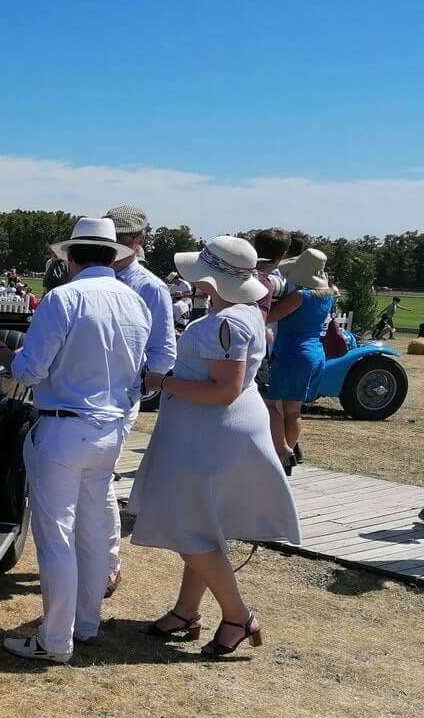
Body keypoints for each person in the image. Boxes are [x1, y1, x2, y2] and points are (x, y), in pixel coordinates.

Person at [0, 218, 150, 663]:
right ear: (112, 256)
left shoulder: (64, 298)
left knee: (56, 535)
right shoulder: (136, 302)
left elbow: (31, 371)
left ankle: (55, 639)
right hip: (110, 429)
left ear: (72, 257)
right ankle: (86, 623)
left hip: (63, 426)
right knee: (93, 531)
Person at [129, 236, 300, 657]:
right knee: (202, 524)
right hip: (218, 429)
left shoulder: (226, 322)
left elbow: (224, 390)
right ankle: (188, 610)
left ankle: (239, 615)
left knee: (188, 524)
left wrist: (160, 381)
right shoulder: (244, 315)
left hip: (212, 433)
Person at [100, 204, 177, 598]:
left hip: (117, 399)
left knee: (99, 482)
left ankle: (109, 564)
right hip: (84, 394)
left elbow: (164, 353)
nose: (111, 246)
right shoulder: (88, 276)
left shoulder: (149, 287)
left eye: (120, 239)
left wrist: (137, 389)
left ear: (137, 243)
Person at [264, 248, 335, 469]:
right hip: (314, 352)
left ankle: (281, 450)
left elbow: (271, 316)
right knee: (294, 410)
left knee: (272, 405)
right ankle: (289, 454)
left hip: (292, 352)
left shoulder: (299, 296)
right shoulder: (327, 296)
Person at [249, 227, 293, 463]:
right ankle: (282, 448)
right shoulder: (269, 283)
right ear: (282, 254)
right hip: (259, 348)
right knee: (269, 404)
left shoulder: (241, 275)